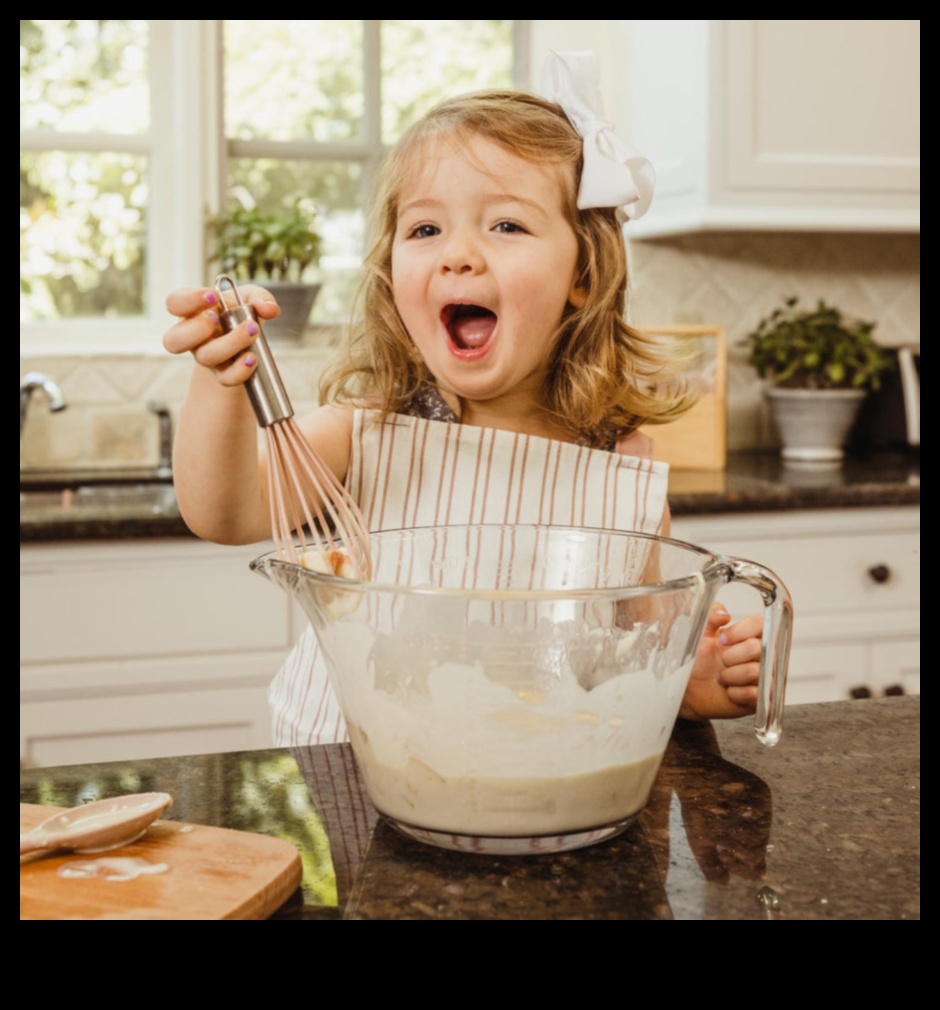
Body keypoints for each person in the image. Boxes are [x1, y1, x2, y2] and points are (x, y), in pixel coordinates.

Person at [163, 51, 763, 747]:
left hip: (540, 786)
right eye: (424, 229)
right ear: (392, 276)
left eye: (506, 225)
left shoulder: (622, 473)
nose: (458, 254)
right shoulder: (363, 437)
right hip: (352, 777)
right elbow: (225, 511)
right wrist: (219, 382)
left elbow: (633, 657)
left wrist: (689, 686)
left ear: (583, 273)